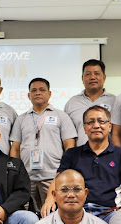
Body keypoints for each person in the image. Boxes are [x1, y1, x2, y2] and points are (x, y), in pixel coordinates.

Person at [41, 106, 121, 221]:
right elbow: (59, 179)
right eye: (90, 122)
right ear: (84, 128)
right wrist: (49, 198)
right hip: (77, 212)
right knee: (48, 220)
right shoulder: (72, 154)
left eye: (101, 121)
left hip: (110, 213)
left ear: (109, 126)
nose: (96, 126)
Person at [10, 77, 76, 209]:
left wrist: (63, 171)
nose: (38, 93)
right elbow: (15, 148)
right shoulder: (21, 119)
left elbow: (70, 145)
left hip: (53, 176)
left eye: (42, 90)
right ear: (29, 95)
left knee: (54, 213)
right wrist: (17, 173)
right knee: (29, 214)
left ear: (49, 94)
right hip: (27, 178)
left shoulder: (61, 116)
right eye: (34, 90)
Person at [64, 59, 115, 146]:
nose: (92, 77)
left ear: (104, 77)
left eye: (97, 73)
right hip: (80, 156)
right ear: (82, 78)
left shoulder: (114, 101)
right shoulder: (72, 103)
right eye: (88, 74)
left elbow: (118, 133)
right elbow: (67, 135)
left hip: (107, 156)